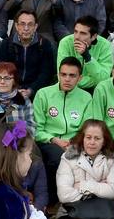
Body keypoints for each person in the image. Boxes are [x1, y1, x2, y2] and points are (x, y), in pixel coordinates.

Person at [32, 57, 94, 186]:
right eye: (64, 74)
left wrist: (73, 142)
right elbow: (36, 129)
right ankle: (53, 201)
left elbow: (87, 129)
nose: (67, 79)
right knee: (58, 157)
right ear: (58, 75)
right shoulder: (43, 94)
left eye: (72, 75)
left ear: (80, 78)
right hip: (48, 141)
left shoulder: (86, 97)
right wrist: (54, 140)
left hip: (75, 143)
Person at [0, 9, 55, 97]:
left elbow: (46, 73)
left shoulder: (44, 44)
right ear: (16, 26)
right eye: (22, 24)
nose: (26, 28)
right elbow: (2, 70)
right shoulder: (7, 43)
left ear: (35, 27)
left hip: (37, 91)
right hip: (11, 89)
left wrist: (31, 90)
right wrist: (14, 89)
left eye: (30, 24)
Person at [58, 15, 114, 91]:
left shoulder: (105, 45)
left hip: (95, 90)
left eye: (83, 33)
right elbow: (62, 76)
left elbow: (104, 78)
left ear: (93, 36)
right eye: (75, 31)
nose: (77, 37)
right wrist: (93, 80)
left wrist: (87, 57)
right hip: (70, 89)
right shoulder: (65, 42)